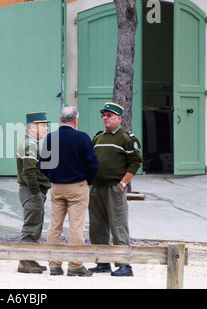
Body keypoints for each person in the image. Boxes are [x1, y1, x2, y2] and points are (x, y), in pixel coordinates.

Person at [39, 106, 99, 276]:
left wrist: (52, 176)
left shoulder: (51, 137)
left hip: (57, 187)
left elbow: (42, 164)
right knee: (76, 227)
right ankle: (74, 265)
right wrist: (89, 181)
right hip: (78, 186)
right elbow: (93, 164)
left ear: (60, 119)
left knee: (54, 227)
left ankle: (55, 265)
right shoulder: (82, 137)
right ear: (76, 120)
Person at [88, 102, 143, 277]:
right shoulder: (98, 137)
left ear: (119, 118)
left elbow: (136, 162)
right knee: (97, 227)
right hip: (96, 189)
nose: (105, 118)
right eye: (104, 115)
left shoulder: (127, 138)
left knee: (118, 226)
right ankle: (102, 262)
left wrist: (122, 184)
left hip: (114, 189)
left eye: (109, 115)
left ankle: (124, 265)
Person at [16, 111, 51, 274]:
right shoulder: (30, 143)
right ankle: (24, 262)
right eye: (43, 125)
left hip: (30, 190)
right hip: (30, 191)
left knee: (35, 225)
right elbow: (29, 170)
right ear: (32, 127)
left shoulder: (30, 142)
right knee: (31, 227)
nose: (46, 128)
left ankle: (29, 258)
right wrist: (36, 191)